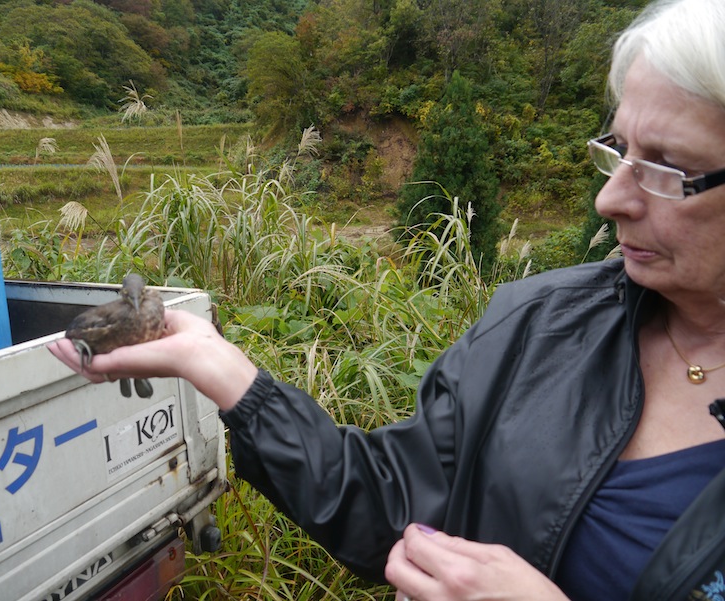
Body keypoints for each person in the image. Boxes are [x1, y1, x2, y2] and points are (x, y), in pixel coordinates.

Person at [49, 0, 725, 598]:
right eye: (619, 151)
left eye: (666, 167)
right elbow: (390, 503)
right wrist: (226, 371)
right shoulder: (539, 325)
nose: (609, 199)